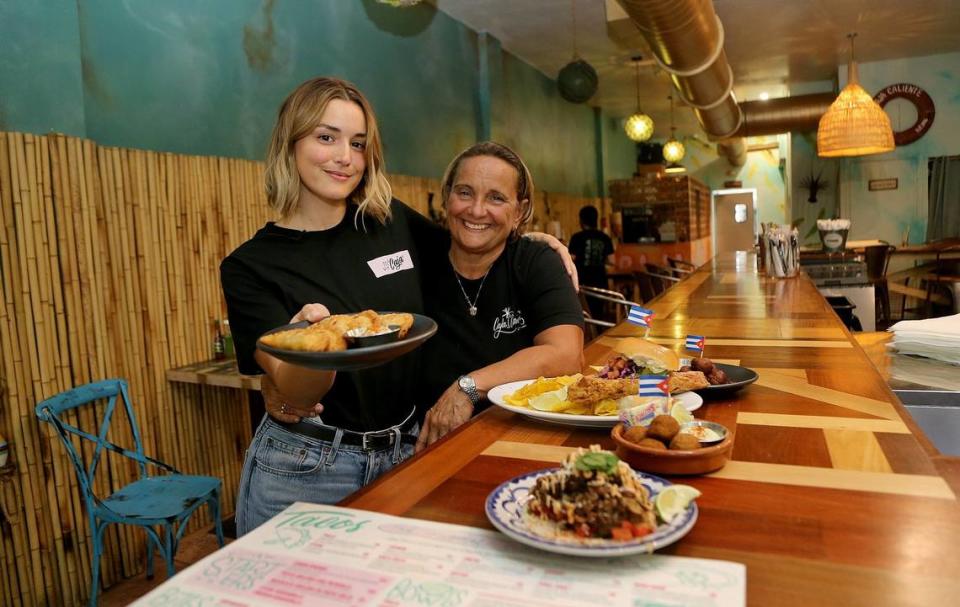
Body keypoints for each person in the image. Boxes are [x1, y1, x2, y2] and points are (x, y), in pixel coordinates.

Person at [222, 78, 579, 535]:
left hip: (405, 453)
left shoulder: (390, 223)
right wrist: (309, 350)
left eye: (357, 143)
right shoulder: (251, 266)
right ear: (289, 143)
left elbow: (474, 239)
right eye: (325, 137)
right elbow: (296, 396)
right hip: (306, 466)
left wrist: (538, 242)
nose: (344, 156)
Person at [415, 142, 585, 449]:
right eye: (464, 192)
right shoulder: (417, 256)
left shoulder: (535, 261)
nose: (477, 210)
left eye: (496, 198)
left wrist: (468, 386)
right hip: (429, 447)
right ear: (446, 197)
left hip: (521, 438)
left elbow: (567, 354)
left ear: (519, 211)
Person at [568, 205, 614, 318]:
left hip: (582, 287)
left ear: (581, 220)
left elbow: (570, 260)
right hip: (601, 286)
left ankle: (590, 332)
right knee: (599, 313)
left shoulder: (576, 238)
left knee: (586, 313)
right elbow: (612, 261)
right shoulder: (605, 237)